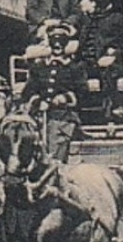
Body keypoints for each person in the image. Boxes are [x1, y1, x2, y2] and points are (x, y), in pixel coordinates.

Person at [20, 20, 87, 163]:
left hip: (63, 118)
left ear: (66, 44)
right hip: (39, 118)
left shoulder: (75, 68)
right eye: (54, 42)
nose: (57, 47)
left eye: (61, 42)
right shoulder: (39, 67)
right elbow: (28, 92)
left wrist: (64, 98)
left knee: (54, 157)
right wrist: (38, 100)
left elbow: (83, 93)